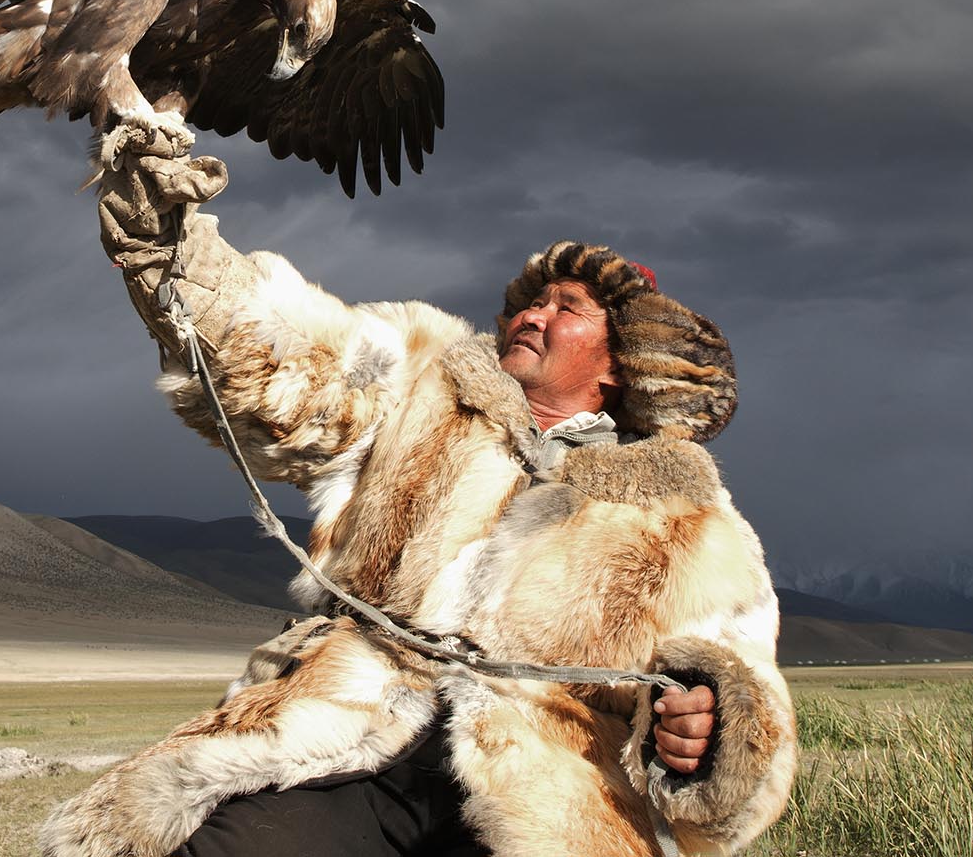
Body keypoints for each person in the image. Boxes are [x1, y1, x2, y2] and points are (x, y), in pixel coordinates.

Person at [42, 125, 795, 857]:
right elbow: (287, 353)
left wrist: (707, 728)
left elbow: (741, 690)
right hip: (350, 733)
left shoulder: (692, 525)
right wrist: (173, 244)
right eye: (532, 301)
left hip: (557, 785)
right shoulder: (426, 383)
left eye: (568, 307)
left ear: (621, 361)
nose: (533, 312)